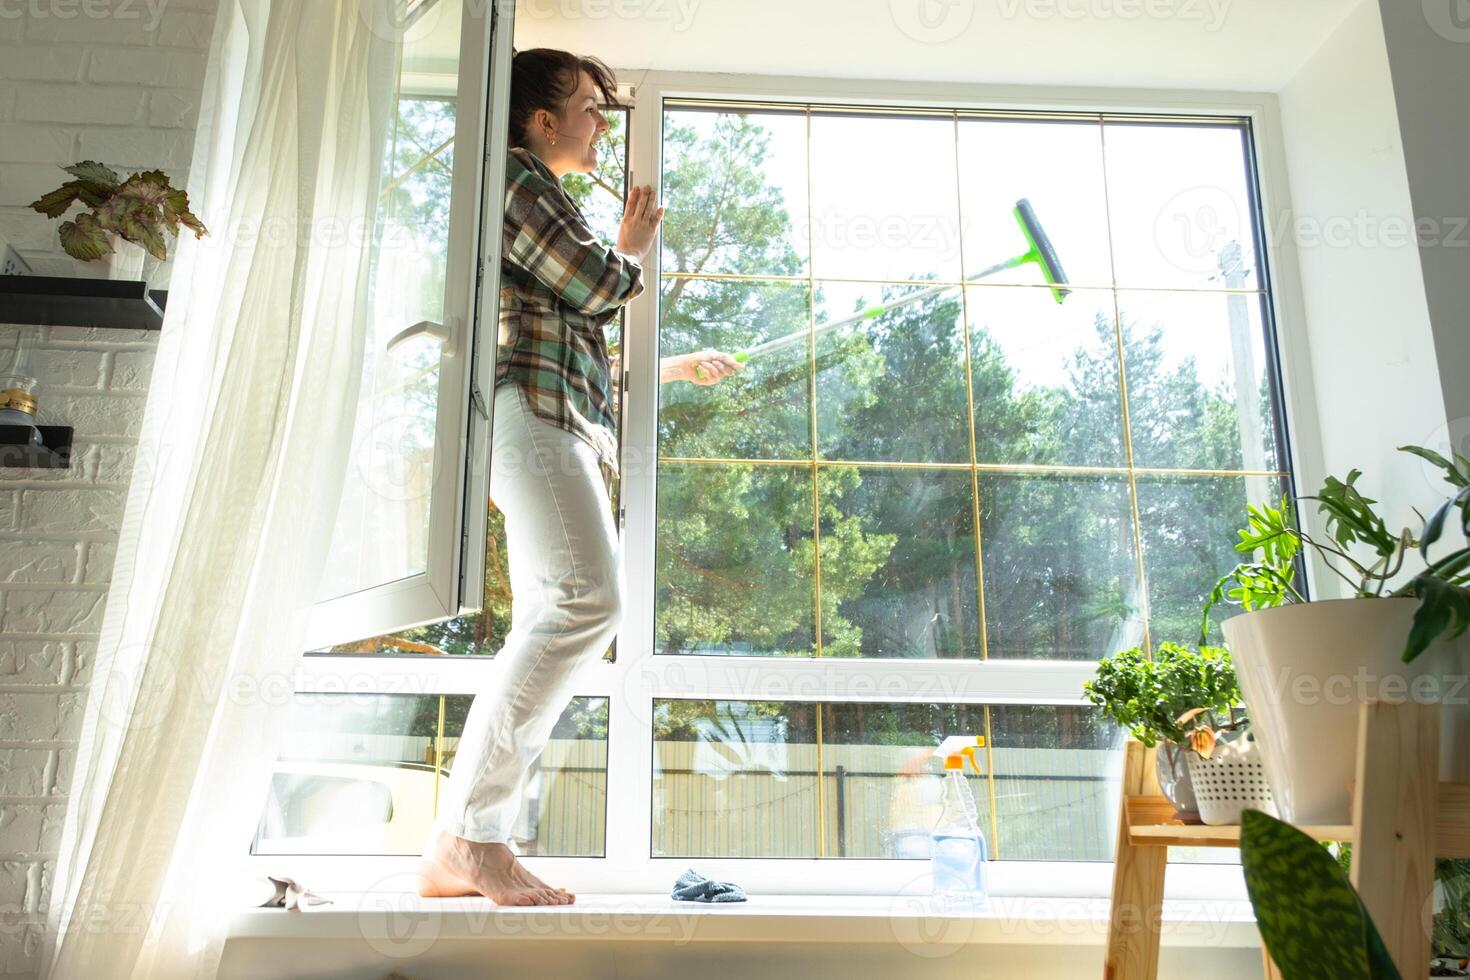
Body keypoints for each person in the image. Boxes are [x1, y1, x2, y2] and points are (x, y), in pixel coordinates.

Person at [416, 48, 742, 906]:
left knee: (561, 610)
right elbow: (598, 284)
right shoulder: (521, 178)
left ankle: (467, 840)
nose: (601, 122)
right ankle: (469, 839)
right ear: (540, 119)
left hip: (545, 410)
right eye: (592, 107)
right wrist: (631, 247)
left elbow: (576, 339)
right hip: (531, 413)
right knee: (587, 603)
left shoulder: (533, 194)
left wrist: (671, 369)